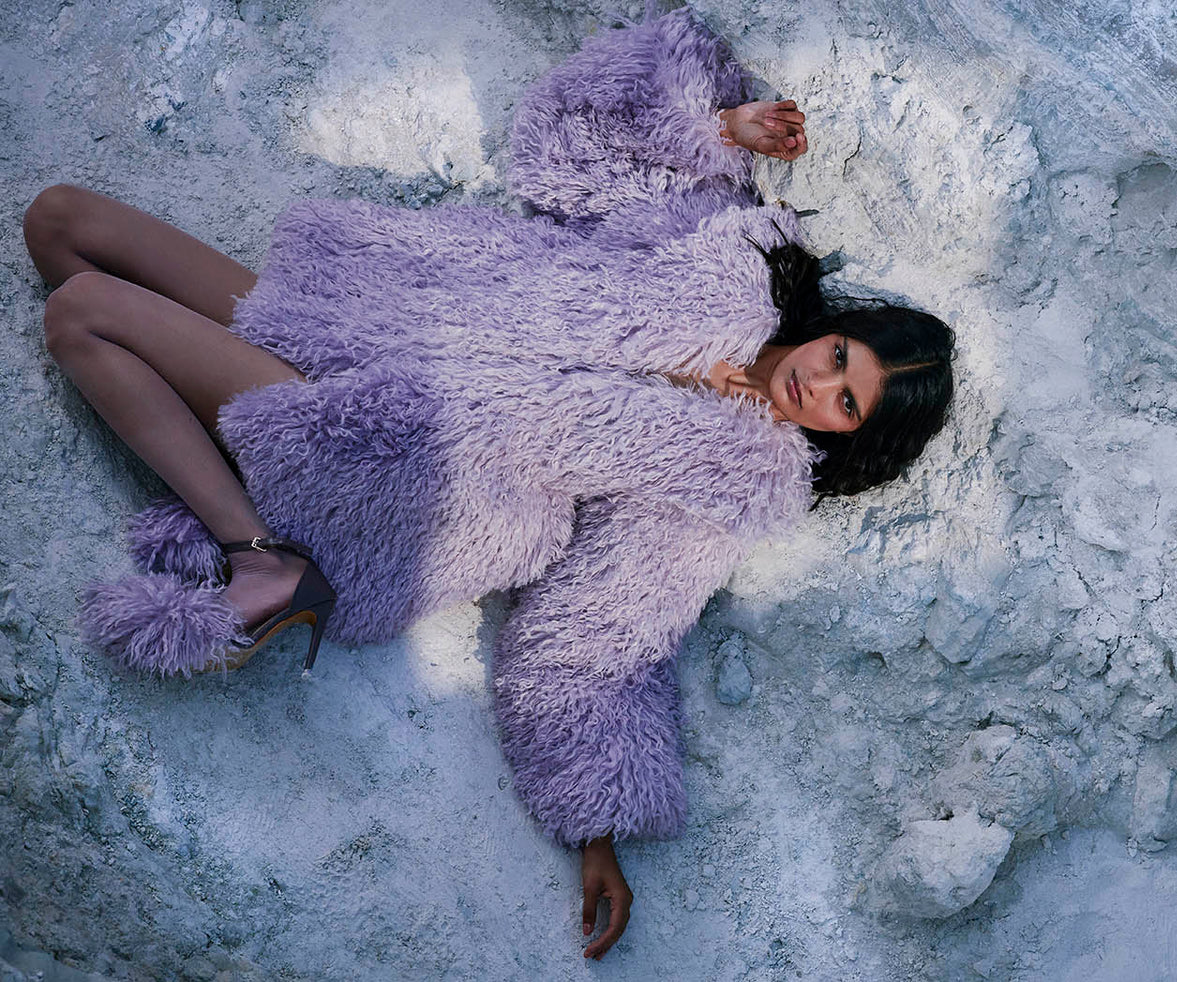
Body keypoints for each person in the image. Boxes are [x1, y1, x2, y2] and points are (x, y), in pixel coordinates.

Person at [21, 8, 952, 962]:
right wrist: (718, 130)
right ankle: (224, 440)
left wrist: (598, 826)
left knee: (83, 312)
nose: (821, 385)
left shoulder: (726, 487)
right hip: (365, 320)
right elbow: (569, 144)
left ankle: (260, 556)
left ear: (849, 437)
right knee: (60, 220)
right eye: (842, 358)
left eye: (847, 404)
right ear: (836, 326)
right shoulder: (724, 249)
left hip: (394, 454)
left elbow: (599, 635)